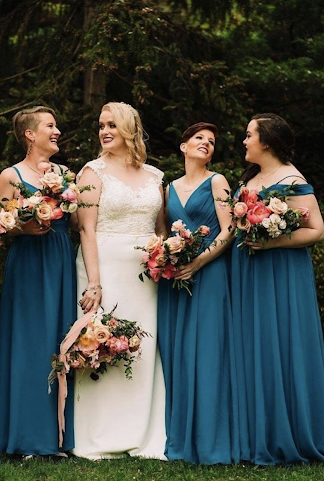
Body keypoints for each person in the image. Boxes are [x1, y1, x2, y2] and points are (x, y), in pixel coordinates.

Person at [73, 102, 167, 459]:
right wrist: (94, 283)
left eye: (112, 124)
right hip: (103, 265)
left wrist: (165, 256)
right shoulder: (91, 172)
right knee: (102, 343)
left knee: (143, 346)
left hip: (145, 274)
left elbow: (159, 228)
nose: (104, 131)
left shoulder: (156, 176)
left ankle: (143, 431)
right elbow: (86, 228)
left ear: (129, 128)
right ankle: (99, 433)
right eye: (100, 125)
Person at [232, 113, 324, 464]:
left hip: (281, 270)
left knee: (281, 342)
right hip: (250, 271)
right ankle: (256, 431)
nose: (244, 141)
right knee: (253, 344)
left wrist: (271, 242)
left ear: (266, 141)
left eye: (248, 135)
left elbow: (316, 230)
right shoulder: (251, 177)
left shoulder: (291, 178)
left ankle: (290, 432)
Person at [0, 106, 77, 456]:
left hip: (58, 256)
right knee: (29, 341)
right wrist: (25, 225)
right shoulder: (10, 175)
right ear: (29, 134)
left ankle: (59, 434)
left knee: (59, 340)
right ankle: (24, 434)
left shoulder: (65, 174)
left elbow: (78, 223)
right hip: (27, 261)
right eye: (50, 126)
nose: (57, 131)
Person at [157, 123, 241, 464]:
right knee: (177, 352)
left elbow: (229, 230)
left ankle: (211, 439)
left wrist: (200, 261)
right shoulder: (168, 188)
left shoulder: (218, 181)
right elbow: (162, 229)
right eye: (199, 139)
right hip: (176, 277)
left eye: (211, 141)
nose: (206, 144)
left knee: (208, 351)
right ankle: (180, 435)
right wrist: (166, 254)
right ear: (183, 147)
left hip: (210, 274)